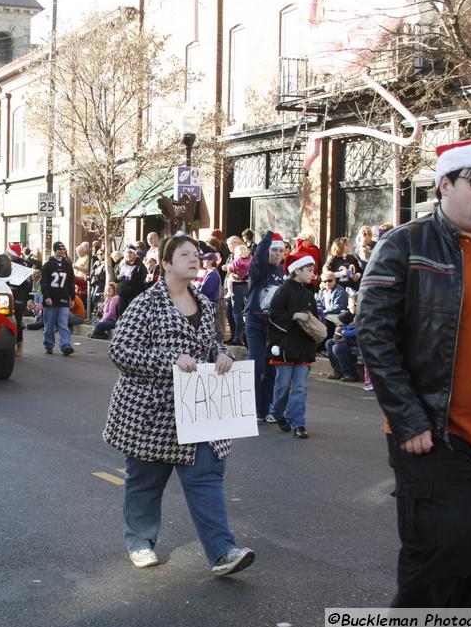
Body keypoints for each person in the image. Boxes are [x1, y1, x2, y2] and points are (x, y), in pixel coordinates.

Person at [357, 138, 471, 627]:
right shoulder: (406, 245)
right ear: (445, 185)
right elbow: (374, 332)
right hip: (434, 431)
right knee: (443, 545)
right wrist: (408, 419)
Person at [102, 233, 254, 576]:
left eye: (195, 254)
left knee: (207, 478)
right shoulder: (146, 303)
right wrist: (170, 360)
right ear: (166, 263)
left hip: (200, 410)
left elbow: (216, 345)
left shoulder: (203, 300)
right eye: (184, 254)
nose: (193, 259)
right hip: (151, 415)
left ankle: (222, 552)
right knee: (145, 482)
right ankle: (140, 542)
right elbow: (120, 351)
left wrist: (223, 356)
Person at [265, 252, 317, 439]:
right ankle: (278, 413)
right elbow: (273, 316)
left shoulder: (309, 292)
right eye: (309, 270)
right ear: (297, 270)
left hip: (304, 347)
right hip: (286, 347)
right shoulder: (282, 291)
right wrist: (294, 316)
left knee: (301, 387)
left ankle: (298, 423)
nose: (312, 273)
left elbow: (314, 319)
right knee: (283, 386)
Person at [245, 231, 286, 422]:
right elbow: (259, 256)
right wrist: (268, 236)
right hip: (255, 323)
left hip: (273, 326)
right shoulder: (259, 270)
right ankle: (250, 407)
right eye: (274, 250)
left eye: (281, 250)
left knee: (271, 368)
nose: (278, 254)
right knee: (257, 365)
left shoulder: (283, 273)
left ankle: (265, 409)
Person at [40, 241, 75, 355]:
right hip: (51, 298)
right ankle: (49, 344)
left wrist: (72, 297)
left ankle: (66, 346)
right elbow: (44, 283)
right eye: (60, 249)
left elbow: (71, 283)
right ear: (55, 250)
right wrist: (46, 297)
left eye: (63, 249)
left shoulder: (67, 265)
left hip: (63, 298)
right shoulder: (48, 265)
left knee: (63, 323)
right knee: (49, 324)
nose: (62, 251)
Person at [5, 243, 32, 356]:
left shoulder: (24, 265)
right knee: (5, 320)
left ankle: (19, 346)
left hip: (19, 295)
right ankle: (7, 344)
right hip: (7, 295)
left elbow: (29, 285)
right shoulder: (6, 264)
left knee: (17, 321)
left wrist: (29, 298)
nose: (7, 255)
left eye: (8, 253)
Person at [115, 246, 147, 314]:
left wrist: (136, 293)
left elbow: (142, 281)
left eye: (130, 253)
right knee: (121, 312)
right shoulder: (123, 265)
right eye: (127, 253)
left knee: (130, 313)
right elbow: (117, 277)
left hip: (133, 295)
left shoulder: (140, 266)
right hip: (122, 294)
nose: (128, 255)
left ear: (135, 254)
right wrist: (118, 278)